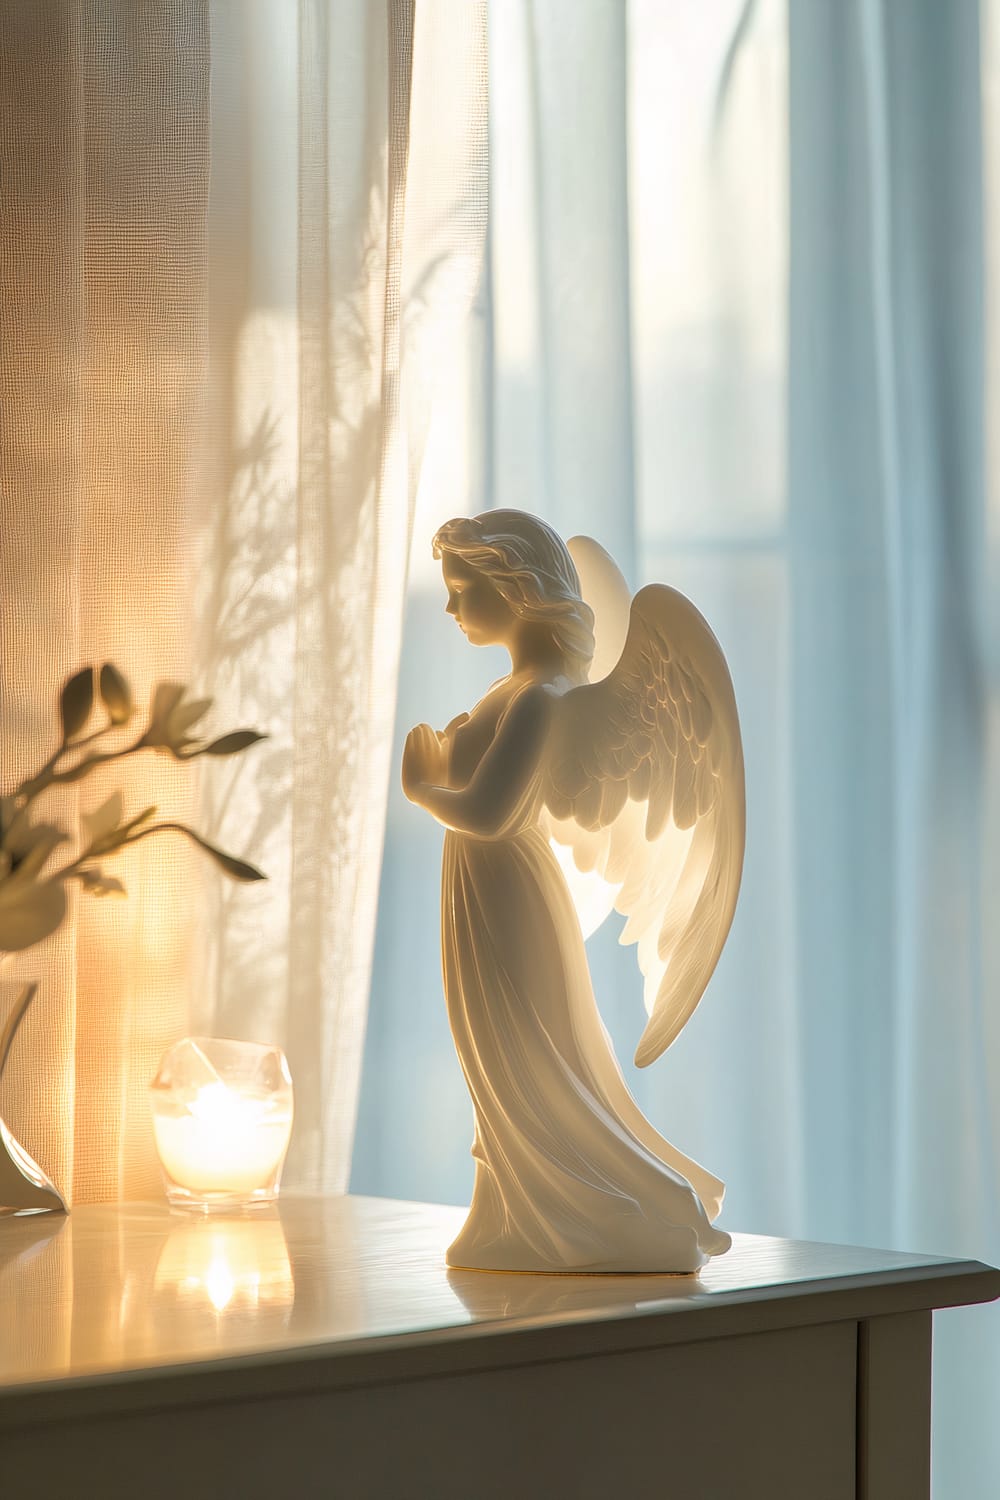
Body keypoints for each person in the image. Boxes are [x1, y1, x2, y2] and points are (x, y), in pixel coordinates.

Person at [402, 510, 731, 1273]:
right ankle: (509, 1211)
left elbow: (488, 813)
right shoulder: (516, 690)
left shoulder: (540, 700)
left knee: (527, 1055)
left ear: (515, 588)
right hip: (483, 892)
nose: (450, 608)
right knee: (498, 1057)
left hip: (506, 894)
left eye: (463, 589)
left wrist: (423, 786)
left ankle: (582, 1211)